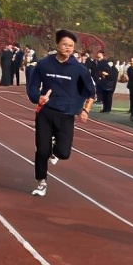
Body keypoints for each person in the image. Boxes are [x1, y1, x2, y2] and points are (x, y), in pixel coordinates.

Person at [25, 29, 96, 198]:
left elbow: (91, 92)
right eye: (65, 44)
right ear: (57, 45)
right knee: (42, 150)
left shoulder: (79, 69)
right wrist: (38, 97)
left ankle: (55, 150)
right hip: (46, 112)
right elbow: (32, 86)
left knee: (64, 153)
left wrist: (86, 110)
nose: (68, 48)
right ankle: (41, 181)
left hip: (66, 114)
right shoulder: (44, 64)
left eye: (71, 46)